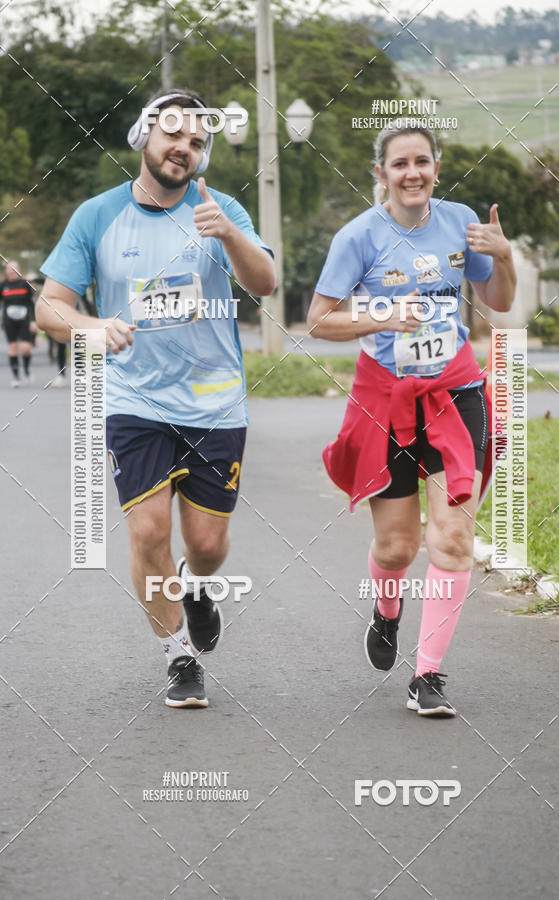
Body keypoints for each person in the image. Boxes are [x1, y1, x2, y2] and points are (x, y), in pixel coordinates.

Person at [37, 89, 275, 707]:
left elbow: (266, 283)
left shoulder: (221, 209)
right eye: (174, 134)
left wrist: (229, 234)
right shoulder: (97, 215)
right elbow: (50, 304)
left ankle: (197, 586)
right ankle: (179, 658)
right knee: (147, 534)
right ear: (145, 135)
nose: (184, 149)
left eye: (198, 142)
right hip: (132, 398)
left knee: (206, 546)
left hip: (215, 403)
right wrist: (90, 327)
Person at [308, 124, 516, 716]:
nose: (412, 173)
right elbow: (318, 320)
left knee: (452, 537)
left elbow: (498, 299)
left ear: (436, 167)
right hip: (386, 398)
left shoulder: (462, 220)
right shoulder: (358, 237)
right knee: (397, 547)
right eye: (400, 164)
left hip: (457, 392)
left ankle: (428, 675)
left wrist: (504, 256)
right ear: (381, 174)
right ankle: (387, 608)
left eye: (422, 162)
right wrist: (378, 319)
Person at [1, 261, 37, 387]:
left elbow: (31, 304)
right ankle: (16, 377)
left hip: (24, 320)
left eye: (14, 269)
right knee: (13, 348)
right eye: (9, 269)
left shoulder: (25, 284)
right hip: (9, 321)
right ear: (6, 271)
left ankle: (26, 370)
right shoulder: (3, 285)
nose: (11, 271)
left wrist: (33, 321)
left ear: (18, 270)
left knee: (26, 348)